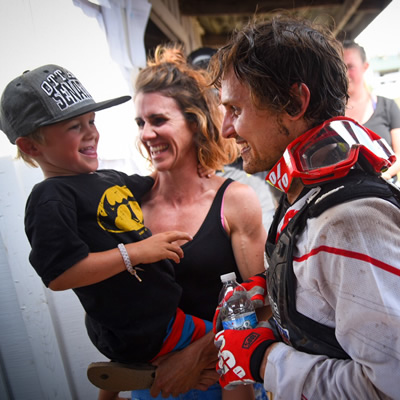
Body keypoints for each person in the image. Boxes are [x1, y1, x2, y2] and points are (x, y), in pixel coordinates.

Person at [0, 64, 222, 400]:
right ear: (31, 147)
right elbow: (59, 275)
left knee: (199, 370)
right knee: (229, 348)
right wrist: (135, 253)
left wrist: (198, 163)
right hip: (143, 328)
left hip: (157, 317)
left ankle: (124, 377)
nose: (91, 133)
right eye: (75, 126)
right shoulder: (49, 198)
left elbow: (159, 181)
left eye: (91, 121)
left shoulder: (106, 178)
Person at [208, 15, 400, 399]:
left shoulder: (348, 221)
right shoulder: (309, 198)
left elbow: (390, 385)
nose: (227, 128)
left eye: (236, 110)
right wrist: (274, 295)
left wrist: (262, 359)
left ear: (295, 102)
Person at [129, 44, 269, 400]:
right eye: (141, 123)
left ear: (195, 123)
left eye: (159, 120)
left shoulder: (235, 201)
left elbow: (258, 306)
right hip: (152, 385)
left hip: (226, 380)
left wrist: (194, 357)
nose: (146, 134)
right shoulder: (130, 205)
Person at [343, 40, 400, 183]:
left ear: (365, 67)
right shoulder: (333, 115)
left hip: (387, 191)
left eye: (350, 67)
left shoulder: (387, 106)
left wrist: (382, 178)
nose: (345, 73)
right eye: (341, 67)